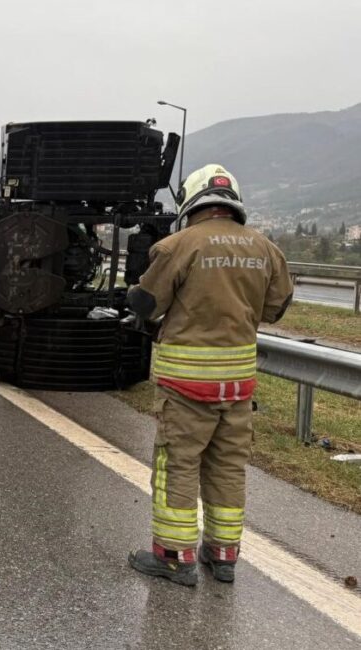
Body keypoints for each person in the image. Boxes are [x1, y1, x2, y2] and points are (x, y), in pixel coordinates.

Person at [126, 164, 293, 585]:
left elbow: (146, 304)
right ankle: (222, 555)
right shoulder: (266, 249)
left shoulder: (178, 245)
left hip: (186, 388)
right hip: (237, 388)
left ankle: (173, 557)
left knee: (177, 465)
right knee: (227, 467)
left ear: (192, 201)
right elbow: (275, 308)